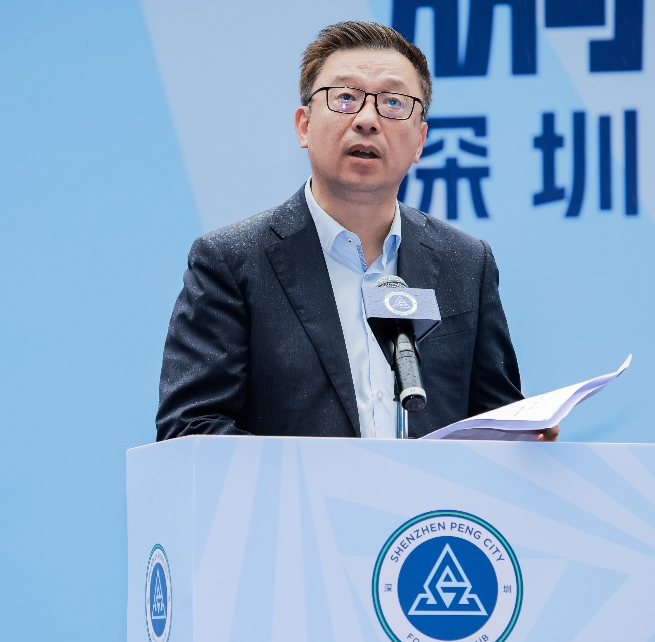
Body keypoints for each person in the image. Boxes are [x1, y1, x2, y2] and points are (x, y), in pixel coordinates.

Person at [156, 21, 557, 442]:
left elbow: (494, 420)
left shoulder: (466, 263)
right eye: (345, 97)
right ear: (304, 126)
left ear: (420, 140)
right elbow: (191, 429)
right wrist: (326, 478)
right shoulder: (233, 262)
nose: (367, 120)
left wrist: (523, 437)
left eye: (393, 102)